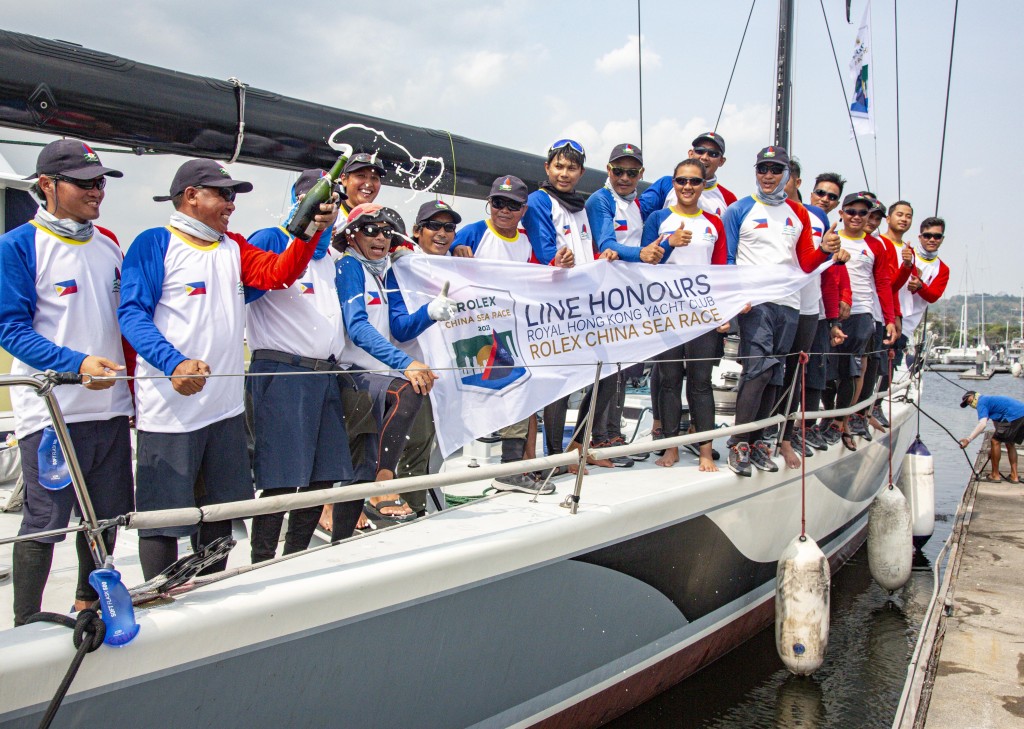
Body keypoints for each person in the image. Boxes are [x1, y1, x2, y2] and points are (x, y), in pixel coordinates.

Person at [119, 159, 336, 580]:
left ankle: (209, 588)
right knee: (164, 521)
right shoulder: (154, 242)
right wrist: (173, 362)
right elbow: (131, 315)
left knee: (222, 511)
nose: (231, 204)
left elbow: (278, 274)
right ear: (191, 196)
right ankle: (159, 600)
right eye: (223, 194)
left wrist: (310, 231)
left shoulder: (232, 246)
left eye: (233, 195)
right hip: (169, 412)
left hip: (224, 410)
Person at [0, 140, 133, 626]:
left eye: (101, 182)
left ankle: (87, 603)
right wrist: (77, 365)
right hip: (53, 414)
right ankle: (25, 623)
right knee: (44, 524)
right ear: (47, 186)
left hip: (111, 408)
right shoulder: (17, 246)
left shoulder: (109, 246)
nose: (97, 191)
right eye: (85, 182)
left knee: (108, 517)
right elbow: (10, 329)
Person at [243, 169, 358, 563]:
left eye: (333, 203)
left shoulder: (331, 257)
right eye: (316, 201)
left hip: (323, 374)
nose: (325, 209)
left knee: (322, 475)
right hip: (283, 371)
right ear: (298, 201)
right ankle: (261, 561)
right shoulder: (272, 239)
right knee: (280, 477)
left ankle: (296, 555)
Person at [721, 146, 837, 476]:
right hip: (755, 303)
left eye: (775, 170)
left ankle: (759, 442)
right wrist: (734, 299)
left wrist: (825, 252)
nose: (768, 176)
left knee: (776, 373)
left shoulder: (799, 214)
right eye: (762, 169)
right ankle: (739, 442)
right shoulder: (739, 209)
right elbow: (727, 260)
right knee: (757, 369)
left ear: (787, 174)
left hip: (789, 303)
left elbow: (805, 263)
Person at [334, 204, 451, 526]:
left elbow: (399, 328)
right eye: (371, 230)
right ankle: (383, 485)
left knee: (360, 470)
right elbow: (356, 327)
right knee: (407, 394)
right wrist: (407, 362)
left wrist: (429, 312)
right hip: (353, 376)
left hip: (377, 378)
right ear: (352, 235)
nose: (381, 237)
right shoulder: (349, 266)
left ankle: (368, 502)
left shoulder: (383, 272)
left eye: (386, 231)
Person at [452, 176, 571, 490]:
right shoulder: (472, 233)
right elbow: (435, 256)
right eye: (498, 202)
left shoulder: (527, 241)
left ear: (523, 210)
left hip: (509, 334)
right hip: (469, 335)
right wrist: (454, 253)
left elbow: (542, 281)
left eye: (513, 205)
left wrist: (560, 265)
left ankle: (511, 468)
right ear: (489, 204)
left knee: (520, 393)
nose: (504, 210)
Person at [521, 139, 613, 470]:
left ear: (581, 173)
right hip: (556, 307)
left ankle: (577, 445)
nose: (564, 173)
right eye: (558, 166)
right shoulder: (537, 201)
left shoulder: (582, 207)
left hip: (589, 306)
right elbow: (545, 252)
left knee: (610, 373)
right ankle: (556, 457)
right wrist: (559, 259)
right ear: (547, 168)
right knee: (559, 383)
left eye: (571, 168)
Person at [641, 158, 728, 472]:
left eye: (694, 181)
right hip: (666, 314)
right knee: (668, 381)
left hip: (702, 315)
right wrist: (669, 244)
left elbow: (721, 271)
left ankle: (705, 449)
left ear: (703, 185)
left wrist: (724, 312)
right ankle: (671, 446)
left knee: (701, 383)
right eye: (681, 181)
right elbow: (643, 267)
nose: (687, 187)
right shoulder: (658, 218)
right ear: (673, 183)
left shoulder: (714, 224)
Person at [387, 199, 463, 512]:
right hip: (416, 379)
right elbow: (400, 329)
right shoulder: (400, 272)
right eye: (434, 225)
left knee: (441, 455)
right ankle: (413, 515)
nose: (442, 233)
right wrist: (429, 313)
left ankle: (425, 509)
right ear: (418, 231)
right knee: (414, 451)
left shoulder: (461, 267)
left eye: (449, 227)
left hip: (454, 380)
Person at [582, 143, 656, 463]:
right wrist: (642, 254)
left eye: (632, 172)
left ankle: (612, 432)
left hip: (627, 298)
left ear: (641, 174)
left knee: (622, 367)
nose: (624, 177)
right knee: (604, 369)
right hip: (602, 296)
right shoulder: (601, 200)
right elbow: (606, 244)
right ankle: (595, 438)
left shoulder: (638, 204)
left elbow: (668, 185)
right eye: (618, 170)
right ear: (607, 170)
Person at [826, 193, 896, 451]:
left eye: (863, 213)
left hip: (862, 312)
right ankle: (826, 417)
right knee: (825, 370)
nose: (856, 216)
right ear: (841, 213)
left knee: (851, 369)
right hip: (830, 310)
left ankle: (840, 422)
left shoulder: (877, 246)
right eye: (851, 211)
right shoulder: (832, 237)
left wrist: (889, 319)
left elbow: (883, 282)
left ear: (869, 217)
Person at [640, 132, 737, 216]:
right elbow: (638, 213)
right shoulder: (667, 184)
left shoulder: (729, 198)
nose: (704, 157)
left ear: (721, 161)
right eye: (700, 151)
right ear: (691, 154)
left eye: (713, 154)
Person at [959, 390, 1024, 484]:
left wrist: (968, 439)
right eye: (967, 404)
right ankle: (1014, 476)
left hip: (1013, 416)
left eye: (969, 400)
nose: (969, 403)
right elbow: (999, 427)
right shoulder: (990, 401)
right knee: (1009, 443)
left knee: (994, 441)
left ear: (975, 395)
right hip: (1021, 414)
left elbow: (982, 424)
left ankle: (995, 475)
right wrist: (993, 451)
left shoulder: (981, 402)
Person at [902, 217, 950, 338]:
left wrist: (920, 286)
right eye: (927, 235)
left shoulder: (943, 268)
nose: (932, 239)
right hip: (887, 319)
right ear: (920, 237)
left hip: (907, 327)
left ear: (942, 239)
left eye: (937, 236)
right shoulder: (907, 254)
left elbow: (933, 296)